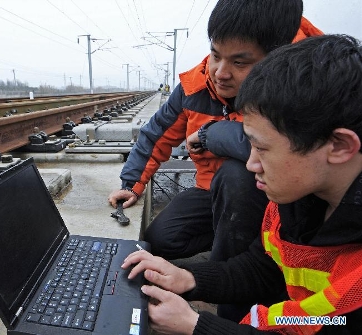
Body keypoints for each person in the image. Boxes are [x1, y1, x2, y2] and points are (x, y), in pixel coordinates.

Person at [122, 34, 362, 334]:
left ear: (338, 146)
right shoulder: (299, 196)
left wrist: (198, 326)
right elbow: (264, 268)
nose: (251, 164)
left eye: (261, 149)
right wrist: (187, 277)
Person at [108, 0, 322, 321]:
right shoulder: (194, 86)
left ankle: (233, 310)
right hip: (212, 190)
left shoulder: (304, 80)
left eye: (239, 62)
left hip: (278, 196)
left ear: (273, 58)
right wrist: (132, 184)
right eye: (215, 54)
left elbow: (269, 148)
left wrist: (211, 133)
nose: (221, 72)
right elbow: (157, 134)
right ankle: (230, 242)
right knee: (158, 239)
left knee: (237, 176)